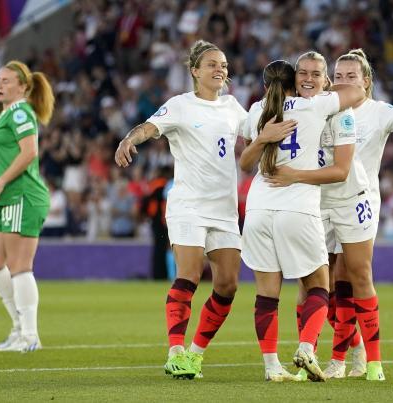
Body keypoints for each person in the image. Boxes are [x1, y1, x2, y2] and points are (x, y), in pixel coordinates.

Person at [114, 40, 292, 380]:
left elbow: (256, 132)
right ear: (195, 71)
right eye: (211, 64)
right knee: (190, 274)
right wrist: (128, 140)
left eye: (223, 64)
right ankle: (176, 351)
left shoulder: (232, 106)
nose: (219, 69)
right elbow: (149, 128)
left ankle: (195, 355)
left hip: (224, 209)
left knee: (227, 285)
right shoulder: (180, 105)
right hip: (189, 206)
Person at [272, 49, 393, 381]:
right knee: (315, 284)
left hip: (357, 200)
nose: (343, 81)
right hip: (317, 201)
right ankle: (339, 350)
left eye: (351, 76)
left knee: (352, 276)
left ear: (366, 81)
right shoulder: (320, 107)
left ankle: (360, 362)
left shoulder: (377, 111)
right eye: (338, 76)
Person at [239, 57, 365, 382]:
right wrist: (329, 86)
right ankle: (307, 348)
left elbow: (245, 163)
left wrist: (263, 137)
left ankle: (271, 367)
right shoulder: (315, 106)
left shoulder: (258, 109)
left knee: (266, 295)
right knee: (318, 286)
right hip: (297, 208)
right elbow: (356, 91)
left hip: (258, 208)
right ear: (294, 80)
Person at [0, 60, 55, 352]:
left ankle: (30, 335)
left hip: (23, 196)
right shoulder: (8, 113)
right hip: (9, 197)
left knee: (20, 267)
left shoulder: (20, 111)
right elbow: (9, 157)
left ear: (23, 87)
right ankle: (19, 327)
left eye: (6, 80)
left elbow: (29, 152)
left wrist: (0, 182)